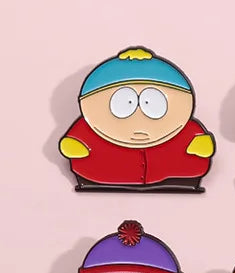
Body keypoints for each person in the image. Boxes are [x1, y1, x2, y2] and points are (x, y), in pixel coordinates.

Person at [59, 47, 215, 191]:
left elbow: (199, 142)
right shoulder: (87, 127)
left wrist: (200, 144)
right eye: (125, 104)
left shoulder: (187, 129)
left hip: (177, 178)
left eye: (152, 103)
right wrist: (74, 146)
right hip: (99, 178)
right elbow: (73, 142)